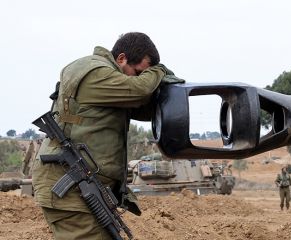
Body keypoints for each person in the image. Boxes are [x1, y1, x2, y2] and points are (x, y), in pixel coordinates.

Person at [32, 32, 184, 240]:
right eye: (138, 72)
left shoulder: (111, 84)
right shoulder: (94, 73)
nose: (140, 78)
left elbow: (148, 105)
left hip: (82, 186)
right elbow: (139, 90)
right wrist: (159, 71)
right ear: (121, 59)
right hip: (70, 190)